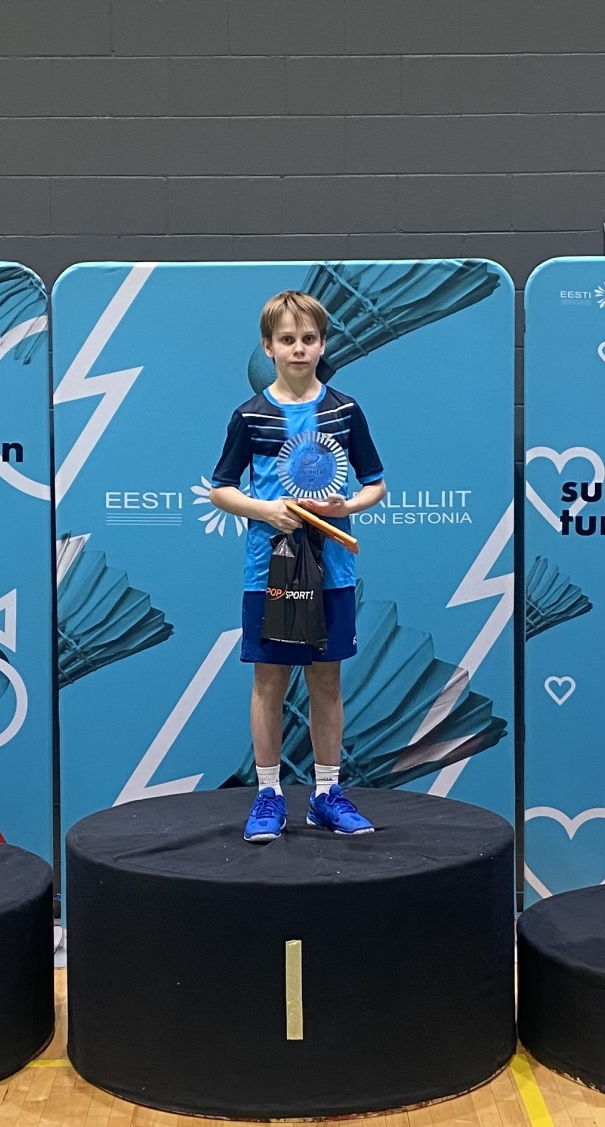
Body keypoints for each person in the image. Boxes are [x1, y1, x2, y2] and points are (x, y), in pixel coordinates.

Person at [208, 291, 388, 842]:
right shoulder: (250, 416)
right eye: (287, 340)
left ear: (323, 344)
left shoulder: (345, 411)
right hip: (271, 573)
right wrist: (265, 510)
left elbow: (376, 485)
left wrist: (345, 505)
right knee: (269, 682)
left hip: (331, 570)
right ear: (268, 347)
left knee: (326, 681)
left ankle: (327, 794)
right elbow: (221, 490)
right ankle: (268, 795)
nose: (299, 349)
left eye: (309, 339)